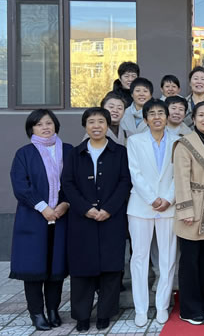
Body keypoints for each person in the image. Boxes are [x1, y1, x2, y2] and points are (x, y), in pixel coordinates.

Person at [61, 108, 132, 331]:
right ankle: (82, 316)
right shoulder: (75, 153)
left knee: (111, 268)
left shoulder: (119, 152)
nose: (96, 126)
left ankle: (105, 314)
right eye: (91, 122)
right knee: (82, 267)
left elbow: (125, 182)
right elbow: (68, 183)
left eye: (101, 121)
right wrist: (85, 209)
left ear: (108, 125)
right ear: (85, 126)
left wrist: (109, 209)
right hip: (82, 219)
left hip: (112, 218)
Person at [9, 110, 72, 331]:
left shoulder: (68, 151)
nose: (45, 127)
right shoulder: (24, 154)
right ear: (31, 129)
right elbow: (21, 185)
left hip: (62, 216)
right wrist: (43, 207)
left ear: (56, 125)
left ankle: (53, 310)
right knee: (33, 269)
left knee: (56, 268)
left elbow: (74, 181)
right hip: (33, 218)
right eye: (39, 124)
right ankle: (37, 313)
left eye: (49, 123)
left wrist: (65, 203)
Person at [126, 99, 178, 327]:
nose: (157, 117)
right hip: (141, 206)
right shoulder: (135, 141)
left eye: (161, 113)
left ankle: (162, 306)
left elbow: (180, 174)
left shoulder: (178, 141)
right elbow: (134, 172)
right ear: (145, 119)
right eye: (152, 114)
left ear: (167, 117)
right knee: (139, 257)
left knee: (168, 258)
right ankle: (140, 308)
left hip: (169, 207)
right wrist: (151, 198)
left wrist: (168, 198)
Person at [173, 101, 204, 325]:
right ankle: (189, 308)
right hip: (192, 205)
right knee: (190, 261)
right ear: (193, 118)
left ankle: (203, 301)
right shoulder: (184, 143)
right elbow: (181, 179)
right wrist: (185, 210)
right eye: (201, 115)